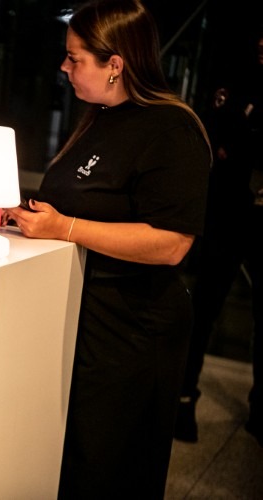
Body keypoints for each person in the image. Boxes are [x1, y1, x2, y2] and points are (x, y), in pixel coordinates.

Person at [1, 0, 211, 497]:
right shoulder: (98, 119)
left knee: (106, 471)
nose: (63, 67)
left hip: (132, 334)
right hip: (82, 322)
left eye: (74, 58)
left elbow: (172, 243)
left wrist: (65, 227)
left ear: (114, 64)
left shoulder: (171, 129)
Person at [174, 28, 263, 446]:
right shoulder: (234, 72)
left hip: (249, 209)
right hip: (228, 209)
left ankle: (260, 409)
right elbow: (217, 138)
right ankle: (183, 399)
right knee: (205, 307)